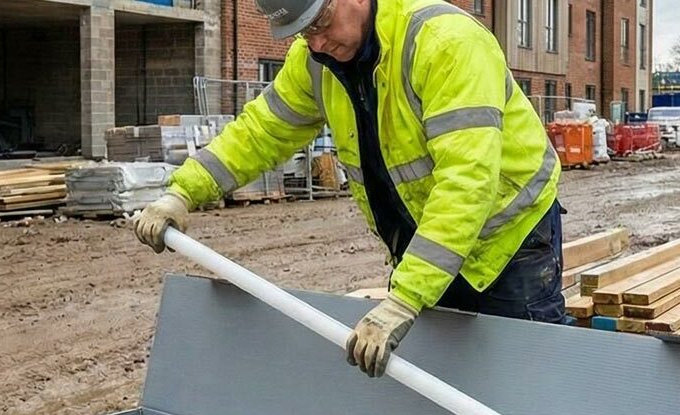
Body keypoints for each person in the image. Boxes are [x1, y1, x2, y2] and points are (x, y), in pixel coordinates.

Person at [134, 0, 567, 378]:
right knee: (450, 375)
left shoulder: (445, 42)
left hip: (510, 243)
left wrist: (407, 297)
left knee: (526, 377)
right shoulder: (315, 62)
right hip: (430, 244)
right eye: (304, 32)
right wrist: (181, 192)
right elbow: (260, 132)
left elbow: (467, 181)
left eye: (321, 23)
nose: (317, 43)